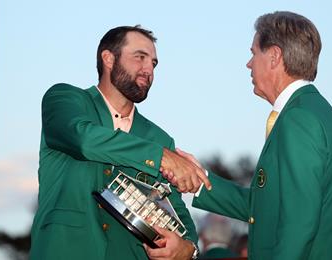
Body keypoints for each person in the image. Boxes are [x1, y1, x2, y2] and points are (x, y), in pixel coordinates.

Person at [158, 11, 332, 259]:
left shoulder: (299, 119)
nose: (249, 63)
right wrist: (200, 182)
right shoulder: (310, 111)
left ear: (274, 56)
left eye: (253, 53)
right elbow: (264, 206)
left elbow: (299, 223)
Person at [29, 25, 210, 260]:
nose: (149, 69)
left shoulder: (159, 138)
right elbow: (83, 139)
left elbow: (176, 211)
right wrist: (161, 157)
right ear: (108, 58)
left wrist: (189, 249)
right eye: (140, 57)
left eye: (153, 63)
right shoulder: (64, 100)